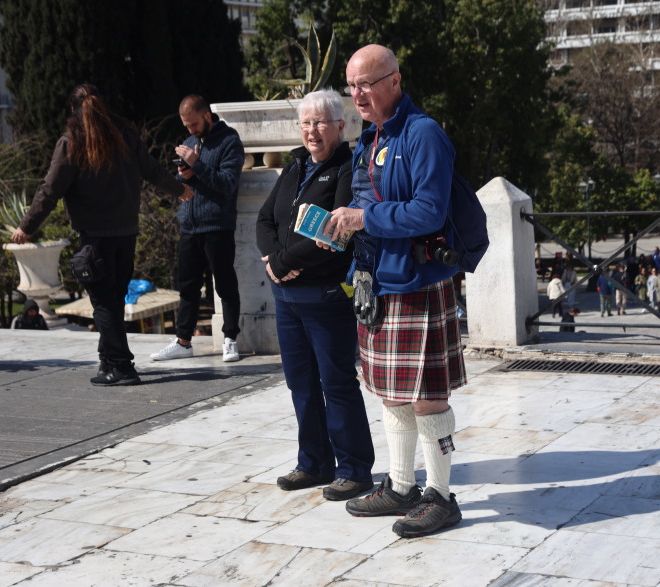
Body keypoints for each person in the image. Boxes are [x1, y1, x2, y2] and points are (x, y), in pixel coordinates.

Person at [324, 45, 464, 538]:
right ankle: (402, 486)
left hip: (421, 282)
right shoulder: (373, 137)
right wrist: (347, 229)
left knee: (427, 396)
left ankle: (442, 498)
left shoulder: (423, 134)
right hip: (382, 279)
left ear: (394, 81)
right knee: (390, 394)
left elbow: (430, 211)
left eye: (365, 83)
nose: (357, 94)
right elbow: (369, 202)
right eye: (352, 85)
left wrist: (365, 218)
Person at [12, 84, 191, 385]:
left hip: (94, 237)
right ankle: (107, 363)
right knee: (113, 299)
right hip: (126, 232)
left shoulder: (72, 143)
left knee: (104, 304)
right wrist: (181, 189)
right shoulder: (125, 136)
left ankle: (122, 367)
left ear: (72, 111)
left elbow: (50, 191)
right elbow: (152, 170)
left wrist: (26, 227)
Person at [256, 89, 375, 501]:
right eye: (306, 123)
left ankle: (356, 469)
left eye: (321, 122)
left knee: (337, 383)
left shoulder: (347, 167)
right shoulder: (295, 167)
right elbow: (264, 218)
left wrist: (284, 260)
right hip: (287, 298)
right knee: (300, 384)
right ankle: (314, 462)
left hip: (325, 297)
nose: (312, 131)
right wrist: (273, 259)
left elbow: (334, 231)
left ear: (340, 127)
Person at [151, 95, 244, 363]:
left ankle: (230, 339)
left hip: (217, 225)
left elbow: (228, 184)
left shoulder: (229, 141)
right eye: (186, 126)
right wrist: (183, 175)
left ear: (206, 115)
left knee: (225, 285)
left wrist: (198, 165)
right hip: (189, 226)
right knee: (187, 287)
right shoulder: (190, 143)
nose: (190, 131)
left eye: (193, 124)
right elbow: (187, 180)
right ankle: (183, 341)